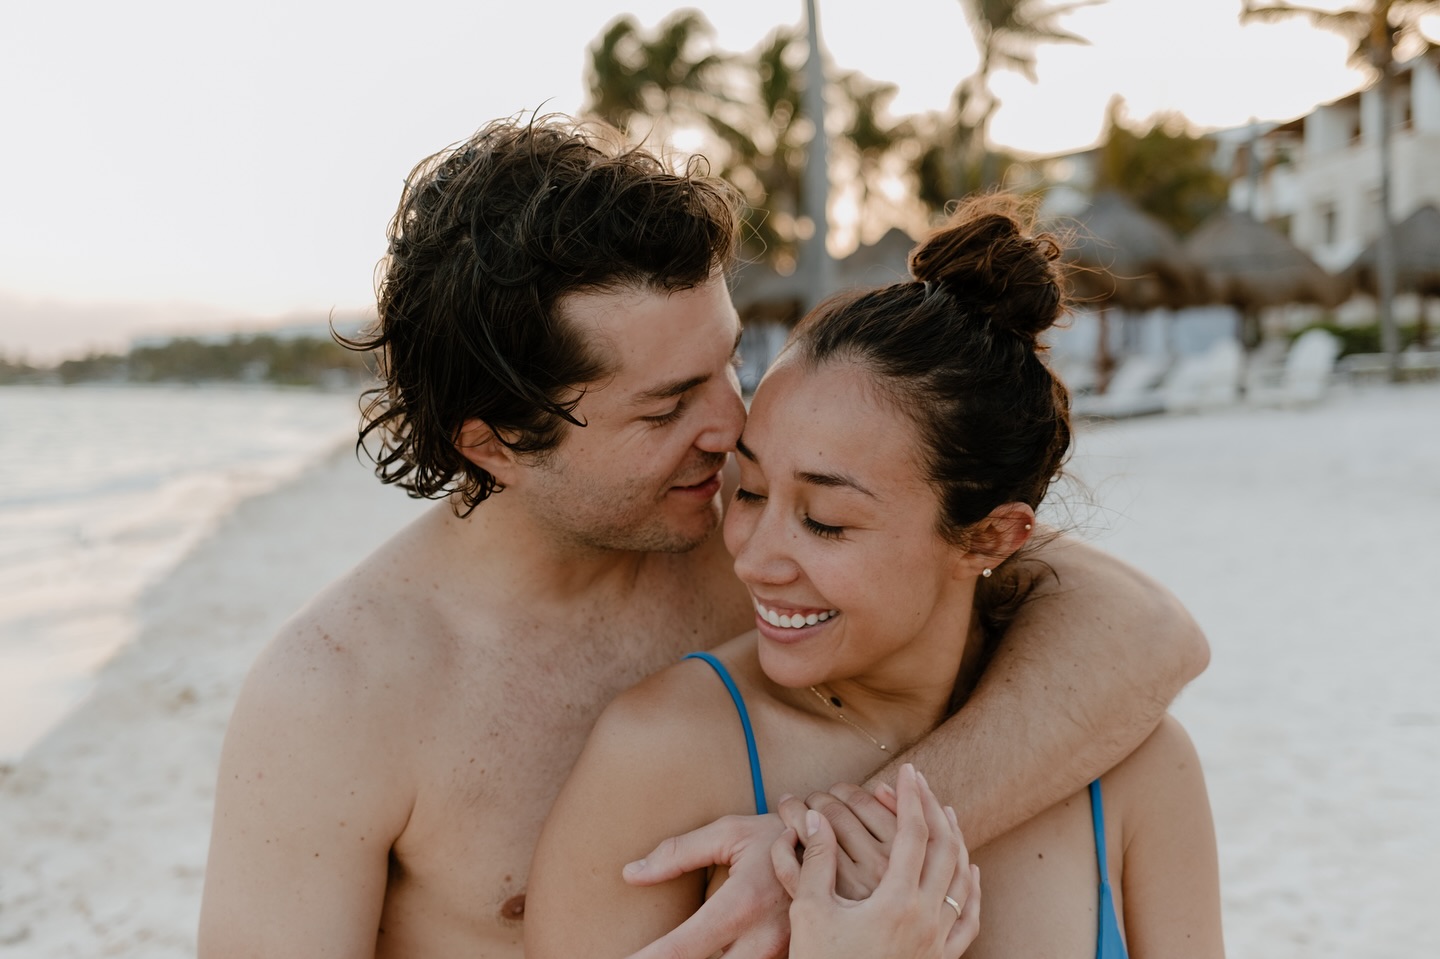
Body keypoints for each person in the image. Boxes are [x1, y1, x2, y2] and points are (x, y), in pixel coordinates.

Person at [197, 117, 1209, 959]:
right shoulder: (338, 697)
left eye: (730, 362)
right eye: (668, 404)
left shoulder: (756, 519)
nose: (730, 424)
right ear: (496, 442)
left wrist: (833, 847)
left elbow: (1147, 632)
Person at [525, 200, 1223, 959]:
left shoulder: (1136, 769)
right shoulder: (661, 757)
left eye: (825, 520)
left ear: (991, 536)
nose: (754, 559)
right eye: (750, 491)